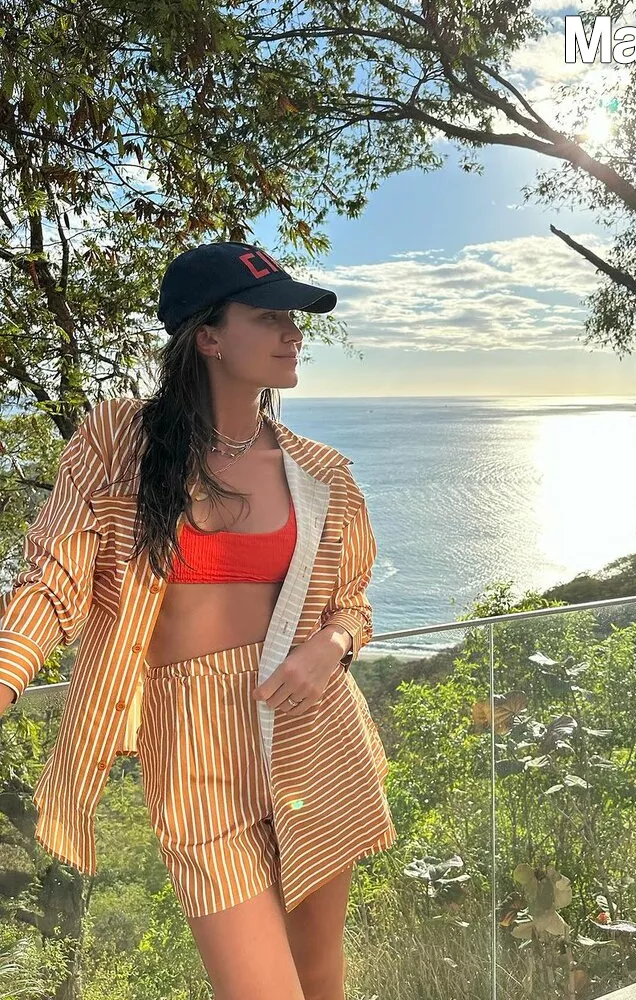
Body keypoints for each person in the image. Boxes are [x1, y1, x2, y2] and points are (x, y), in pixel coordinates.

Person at [0, 241, 397, 1000]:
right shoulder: (119, 441)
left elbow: (353, 601)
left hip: (314, 728)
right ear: (208, 336)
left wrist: (334, 644)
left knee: (320, 978)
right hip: (192, 742)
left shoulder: (322, 473)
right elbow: (52, 579)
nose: (293, 333)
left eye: (294, 318)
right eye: (269, 316)